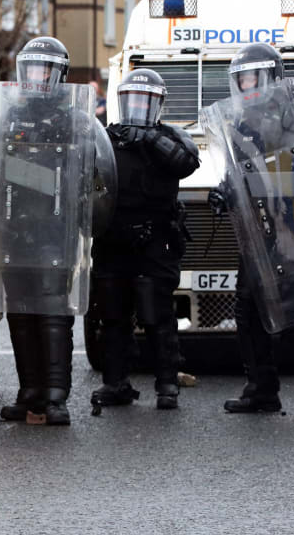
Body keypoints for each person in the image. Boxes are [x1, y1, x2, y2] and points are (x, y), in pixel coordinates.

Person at [207, 43, 294, 415]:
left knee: (290, 303)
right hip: (258, 225)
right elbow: (238, 173)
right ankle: (261, 388)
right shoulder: (240, 121)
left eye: (251, 77)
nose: (246, 86)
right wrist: (225, 193)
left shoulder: (293, 115)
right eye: (241, 80)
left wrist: (263, 185)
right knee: (248, 307)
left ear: (271, 76)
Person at [90, 69, 199, 410]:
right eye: (132, 99)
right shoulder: (106, 138)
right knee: (112, 314)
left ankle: (167, 383)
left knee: (157, 314)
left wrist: (151, 139)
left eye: (145, 100)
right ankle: (116, 383)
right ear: (121, 102)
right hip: (112, 238)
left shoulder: (169, 138)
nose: (138, 106)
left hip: (155, 240)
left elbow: (186, 163)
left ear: (158, 104)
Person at [0, 36, 87, 425]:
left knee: (52, 312)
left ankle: (55, 395)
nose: (36, 77)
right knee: (20, 312)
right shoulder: (9, 117)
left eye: (43, 70)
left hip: (54, 230)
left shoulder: (73, 119)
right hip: (15, 231)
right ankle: (29, 389)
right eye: (30, 69)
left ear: (59, 74)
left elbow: (84, 177)